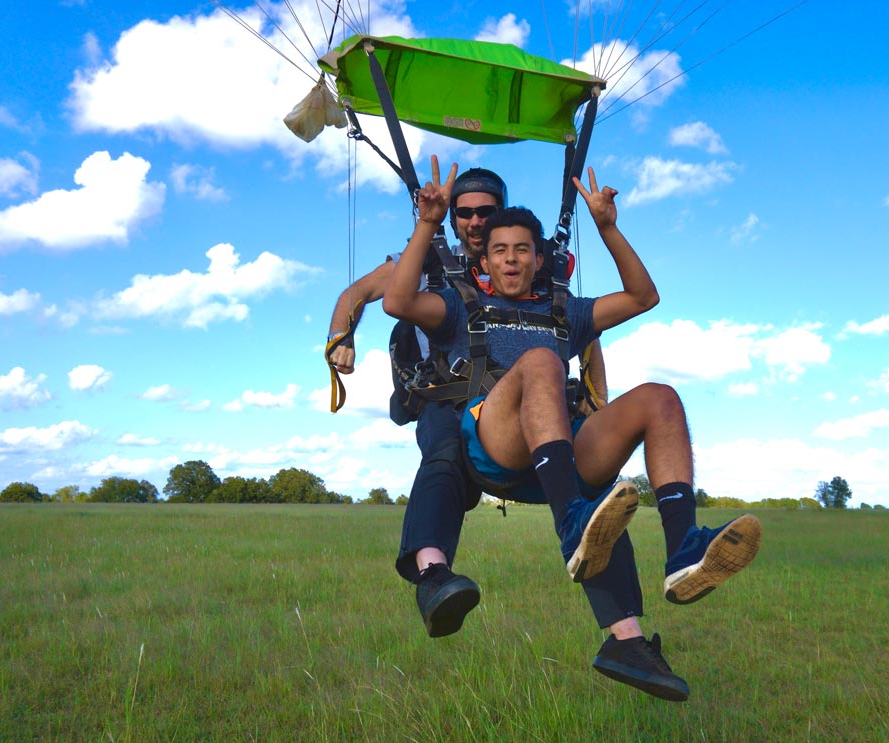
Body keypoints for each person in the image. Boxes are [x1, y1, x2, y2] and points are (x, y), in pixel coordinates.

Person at [384, 156, 762, 701]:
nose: (511, 260)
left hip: (554, 450)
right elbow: (397, 302)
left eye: (522, 251)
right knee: (541, 362)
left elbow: (643, 297)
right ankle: (572, 527)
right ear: (484, 261)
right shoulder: (459, 304)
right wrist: (427, 223)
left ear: (540, 259)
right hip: (492, 441)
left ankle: (680, 555)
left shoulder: (567, 310)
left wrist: (609, 227)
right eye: (499, 251)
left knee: (660, 399)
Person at [324, 168, 621, 640]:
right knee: (444, 458)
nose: (476, 222)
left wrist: (595, 396)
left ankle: (625, 634)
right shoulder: (427, 261)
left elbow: (574, 330)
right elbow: (357, 294)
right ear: (455, 216)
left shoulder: (528, 264)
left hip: (515, 400)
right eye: (466, 213)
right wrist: (341, 337)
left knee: (595, 478)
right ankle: (433, 576)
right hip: (449, 395)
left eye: (486, 211)